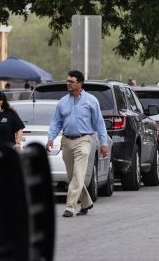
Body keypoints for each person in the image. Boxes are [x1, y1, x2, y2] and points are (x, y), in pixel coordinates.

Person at [47, 70, 108, 217]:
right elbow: (56, 122)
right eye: (67, 81)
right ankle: (87, 202)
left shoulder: (91, 100)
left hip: (84, 140)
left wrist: (104, 143)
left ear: (79, 83)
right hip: (66, 141)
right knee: (72, 175)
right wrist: (51, 138)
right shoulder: (62, 102)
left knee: (78, 174)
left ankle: (70, 207)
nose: (68, 84)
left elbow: (99, 123)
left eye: (71, 81)